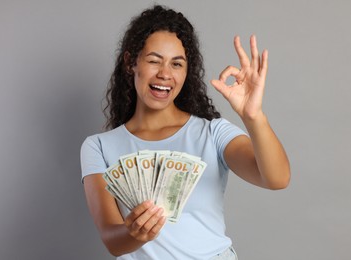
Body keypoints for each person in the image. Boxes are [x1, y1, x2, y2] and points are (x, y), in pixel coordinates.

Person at [81, 5, 290, 260]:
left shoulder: (213, 133)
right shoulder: (98, 147)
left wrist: (253, 117)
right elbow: (113, 241)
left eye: (176, 64)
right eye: (154, 60)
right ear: (130, 63)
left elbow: (277, 179)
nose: (165, 74)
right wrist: (135, 233)